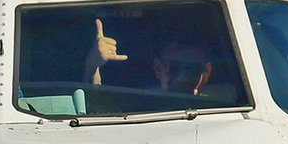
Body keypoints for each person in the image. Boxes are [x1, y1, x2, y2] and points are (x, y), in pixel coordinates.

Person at [84, 18, 213, 95]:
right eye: (174, 68)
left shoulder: (219, 110)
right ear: (158, 68)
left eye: (192, 69)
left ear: (206, 72)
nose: (182, 76)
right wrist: (92, 67)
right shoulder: (140, 106)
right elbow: (94, 103)